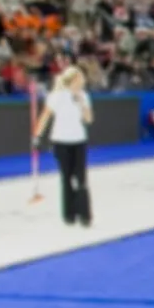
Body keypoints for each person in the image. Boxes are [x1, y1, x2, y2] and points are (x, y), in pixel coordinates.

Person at [35, 65, 94, 228]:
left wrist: (82, 103)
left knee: (81, 178)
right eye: (80, 79)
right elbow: (45, 116)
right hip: (61, 140)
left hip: (79, 139)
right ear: (73, 80)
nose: (82, 82)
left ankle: (84, 214)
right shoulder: (57, 96)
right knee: (66, 177)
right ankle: (69, 214)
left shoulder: (84, 96)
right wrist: (38, 135)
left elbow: (88, 119)